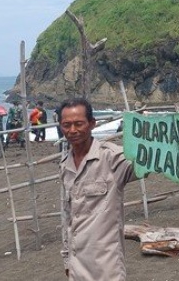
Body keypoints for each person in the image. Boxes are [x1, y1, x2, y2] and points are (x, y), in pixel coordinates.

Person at [59, 98, 138, 280]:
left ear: (92, 124)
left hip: (106, 267)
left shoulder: (112, 158)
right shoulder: (65, 165)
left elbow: (148, 162)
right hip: (76, 265)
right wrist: (66, 259)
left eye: (79, 124)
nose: (72, 130)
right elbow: (67, 215)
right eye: (66, 125)